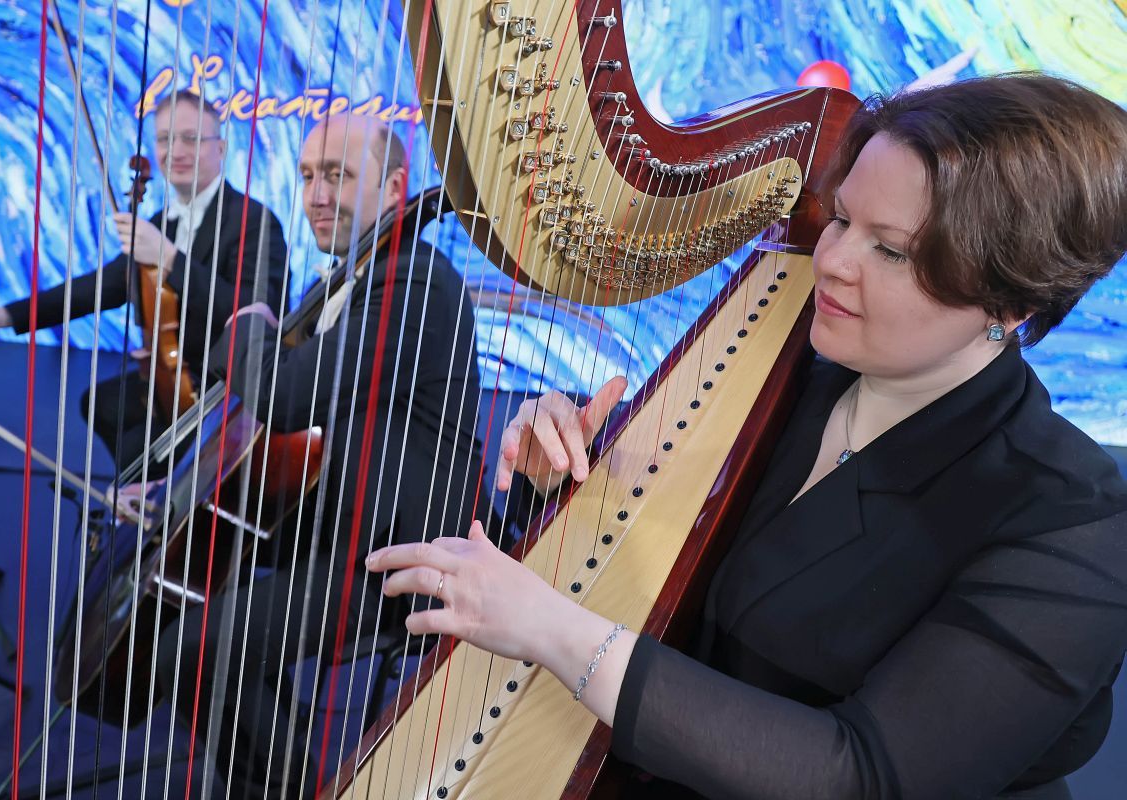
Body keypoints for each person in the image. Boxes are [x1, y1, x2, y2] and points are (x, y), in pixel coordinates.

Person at [366, 74, 1127, 799]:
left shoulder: (1068, 521)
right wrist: (562, 478)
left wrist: (553, 628)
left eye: (890, 251)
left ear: (1010, 302)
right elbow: (659, 585)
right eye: (841, 219)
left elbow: (858, 777)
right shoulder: (786, 375)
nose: (831, 261)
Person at [153, 117, 495, 798]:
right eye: (308, 175)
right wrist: (174, 498)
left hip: (401, 556)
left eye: (337, 175)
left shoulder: (414, 284)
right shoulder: (359, 276)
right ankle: (273, 750)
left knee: (186, 651)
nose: (315, 195)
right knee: (189, 585)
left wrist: (248, 319)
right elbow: (293, 434)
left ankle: (288, 784)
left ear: (394, 188)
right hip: (343, 515)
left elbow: (285, 397)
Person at [0, 90, 289, 469]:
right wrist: (0, 316)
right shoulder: (161, 222)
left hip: (224, 387)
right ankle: (146, 495)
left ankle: (157, 498)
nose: (176, 151)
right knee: (101, 404)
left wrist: (170, 259)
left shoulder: (255, 221)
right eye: (165, 139)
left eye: (191, 138)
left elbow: (256, 313)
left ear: (220, 148)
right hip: (172, 376)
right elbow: (102, 287)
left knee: (141, 446)